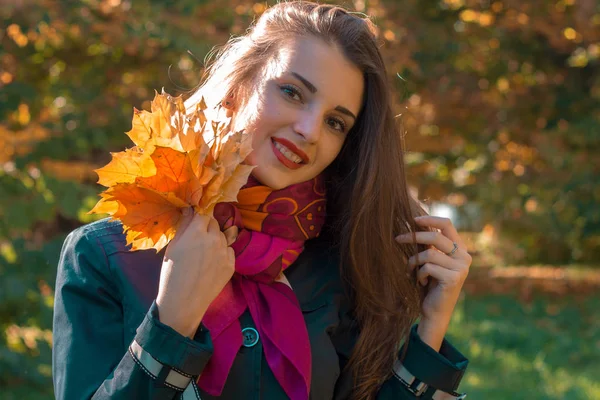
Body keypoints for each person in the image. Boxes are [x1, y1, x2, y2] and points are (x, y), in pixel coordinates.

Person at [52, 2, 471, 399]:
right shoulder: (106, 255)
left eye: (336, 122)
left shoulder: (340, 267)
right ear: (237, 88)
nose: (310, 130)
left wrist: (431, 326)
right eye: (292, 92)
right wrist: (171, 323)